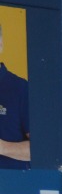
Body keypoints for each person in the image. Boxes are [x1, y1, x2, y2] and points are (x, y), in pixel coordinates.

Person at [0, 21, 29, 169]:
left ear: (1, 44)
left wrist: (3, 147)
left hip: (12, 188)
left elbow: (43, 150)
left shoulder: (20, 88)